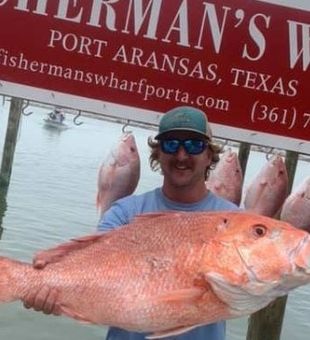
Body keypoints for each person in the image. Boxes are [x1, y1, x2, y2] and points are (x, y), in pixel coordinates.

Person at [23, 106, 240, 340]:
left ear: (209, 155)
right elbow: (93, 271)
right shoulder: (124, 213)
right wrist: (46, 287)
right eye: (170, 144)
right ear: (157, 154)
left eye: (194, 145)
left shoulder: (237, 222)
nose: (181, 155)